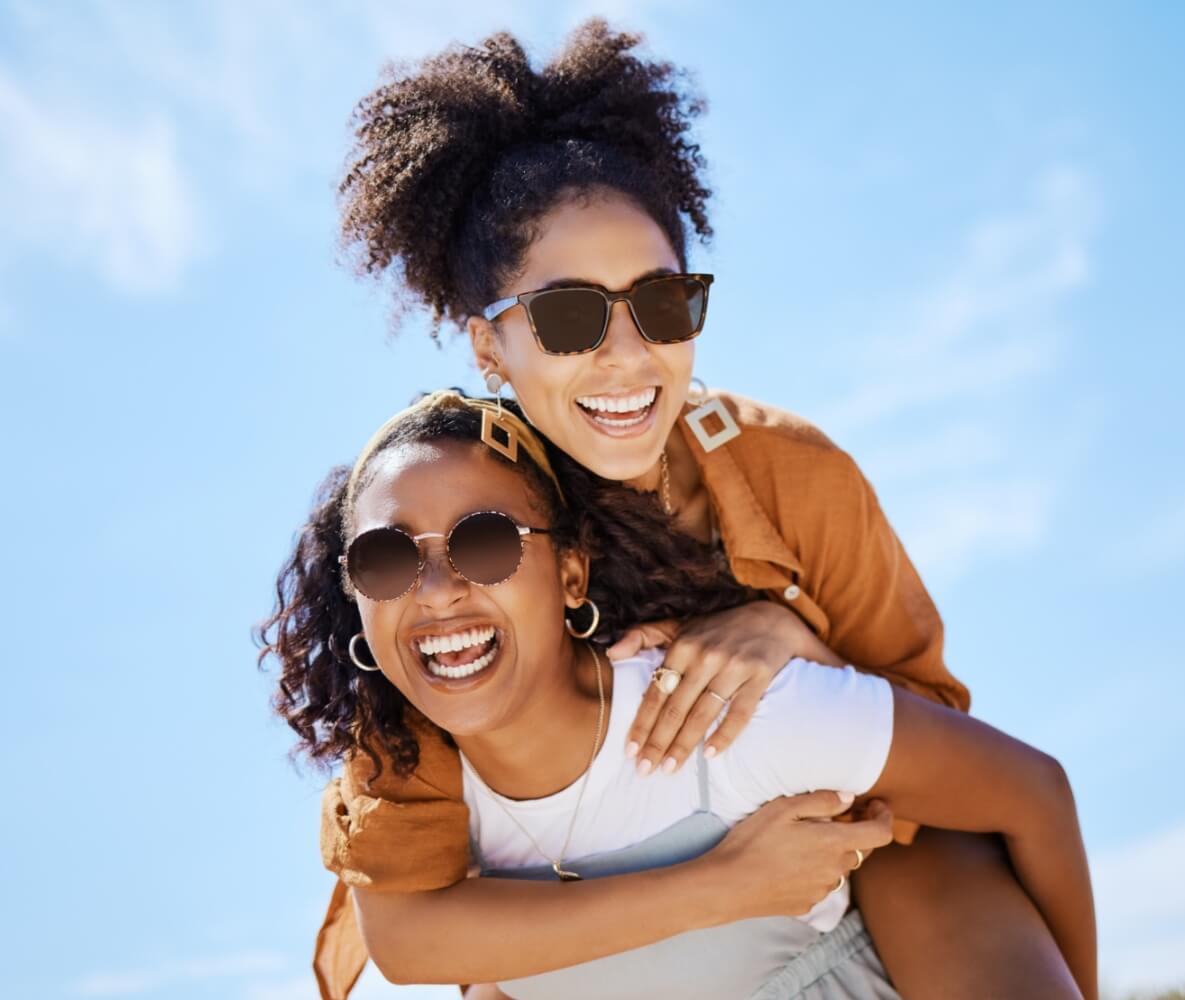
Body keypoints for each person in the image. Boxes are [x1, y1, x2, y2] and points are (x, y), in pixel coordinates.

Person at [318, 18, 1083, 999]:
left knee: (937, 858)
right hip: (567, 911)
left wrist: (795, 636)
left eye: (664, 304)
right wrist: (714, 888)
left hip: (811, 873)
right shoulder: (452, 538)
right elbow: (415, 905)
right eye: (567, 315)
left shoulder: (786, 473)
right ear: (486, 348)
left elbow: (937, 729)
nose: (629, 355)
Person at [260, 391, 1096, 999]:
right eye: (386, 560)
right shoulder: (405, 789)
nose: (437, 590)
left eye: (486, 543)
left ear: (572, 572)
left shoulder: (726, 706)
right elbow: (404, 946)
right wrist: (725, 885)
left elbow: (1031, 791)